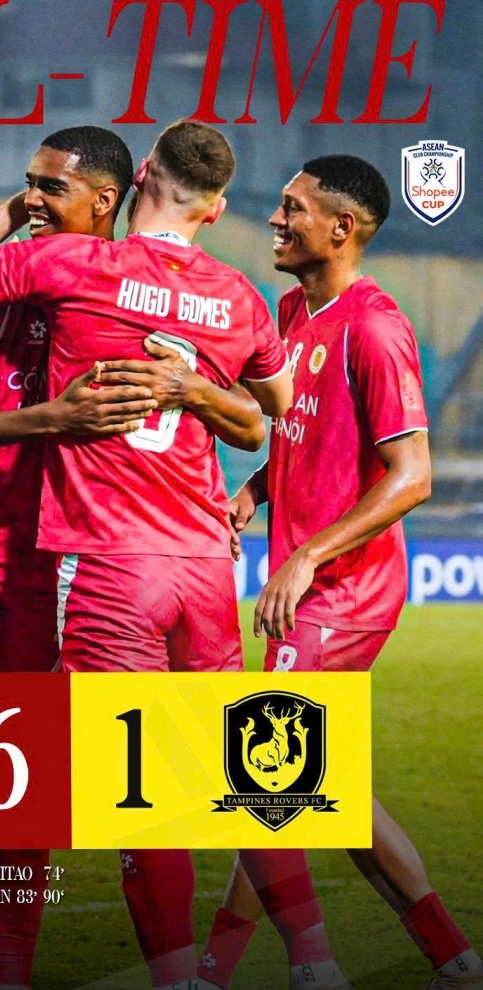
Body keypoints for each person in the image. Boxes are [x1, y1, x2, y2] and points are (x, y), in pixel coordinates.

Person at [0, 121, 351, 990]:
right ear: (217, 209)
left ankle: (176, 979)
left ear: (140, 175)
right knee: (245, 773)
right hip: (203, 564)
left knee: (140, 796)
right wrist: (197, 389)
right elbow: (272, 408)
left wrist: (18, 209)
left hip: (112, 564)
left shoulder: (79, 265)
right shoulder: (238, 296)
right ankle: (314, 960)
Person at [200, 155, 482, 990]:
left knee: (265, 777)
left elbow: (412, 475)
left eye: (293, 209)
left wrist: (308, 554)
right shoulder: (293, 310)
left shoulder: (376, 328)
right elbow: (306, 433)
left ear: (341, 228)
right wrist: (255, 493)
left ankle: (251, 966)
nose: (276, 219)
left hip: (346, 589)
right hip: (310, 585)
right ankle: (454, 957)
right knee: (316, 782)